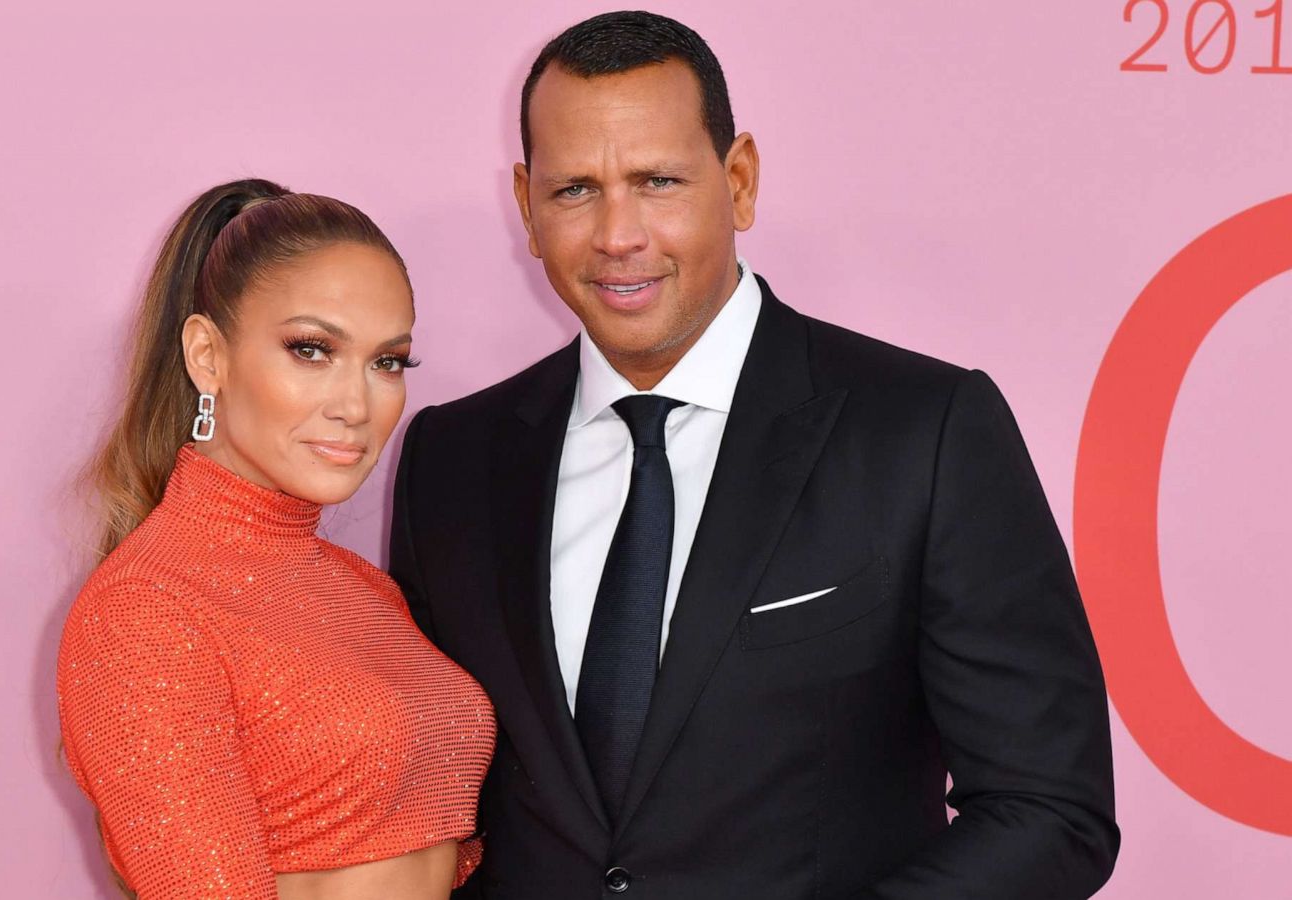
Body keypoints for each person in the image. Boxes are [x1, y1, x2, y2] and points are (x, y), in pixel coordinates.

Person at [389, 11, 1118, 899]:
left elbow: (1050, 808)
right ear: (527, 205)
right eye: (575, 188)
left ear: (738, 182)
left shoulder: (923, 431)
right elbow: (431, 807)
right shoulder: (449, 462)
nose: (619, 234)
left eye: (658, 180)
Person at [58, 179, 495, 900]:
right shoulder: (144, 611)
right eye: (312, 350)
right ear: (207, 355)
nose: (356, 406)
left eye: (387, 362)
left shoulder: (367, 590)